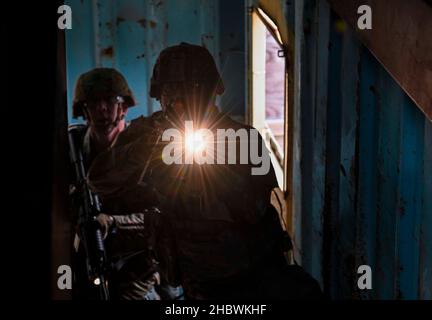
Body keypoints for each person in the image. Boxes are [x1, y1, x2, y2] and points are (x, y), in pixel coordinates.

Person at [88, 43, 323, 299]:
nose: (179, 101)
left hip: (252, 271)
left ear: (211, 92)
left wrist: (210, 168)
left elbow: (254, 208)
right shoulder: (149, 134)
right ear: (160, 94)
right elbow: (99, 179)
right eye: (171, 91)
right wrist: (144, 152)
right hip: (196, 277)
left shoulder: (242, 138)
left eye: (193, 90)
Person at [69, 67, 165, 300]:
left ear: (124, 107)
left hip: (139, 267)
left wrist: (113, 223)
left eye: (110, 100)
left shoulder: (144, 149)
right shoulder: (73, 148)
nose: (102, 108)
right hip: (88, 265)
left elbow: (164, 217)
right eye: (93, 102)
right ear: (84, 109)